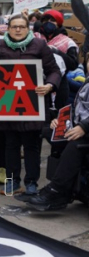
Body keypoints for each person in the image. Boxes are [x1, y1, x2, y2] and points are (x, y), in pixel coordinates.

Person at [0, 14, 61, 196]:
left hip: (31, 104)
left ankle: (31, 182)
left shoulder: (39, 45)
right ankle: (13, 182)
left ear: (28, 29)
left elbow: (54, 71)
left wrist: (50, 85)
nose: (18, 30)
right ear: (8, 28)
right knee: (10, 146)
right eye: (14, 27)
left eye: (21, 26)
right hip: (7, 105)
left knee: (31, 146)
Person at [25, 77, 89, 211]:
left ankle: (57, 189)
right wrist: (60, 119)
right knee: (50, 132)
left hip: (85, 130)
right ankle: (66, 189)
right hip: (81, 126)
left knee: (75, 143)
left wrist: (84, 127)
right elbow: (77, 108)